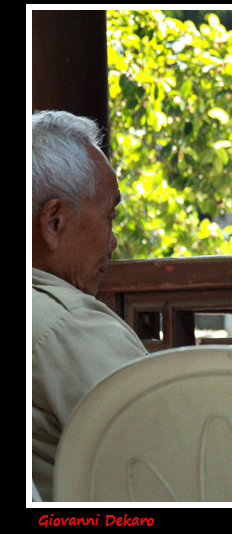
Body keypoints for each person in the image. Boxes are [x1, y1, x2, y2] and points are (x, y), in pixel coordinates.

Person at [30, 110, 149, 501]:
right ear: (55, 223)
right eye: (110, 216)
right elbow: (168, 453)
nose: (113, 243)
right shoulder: (67, 325)